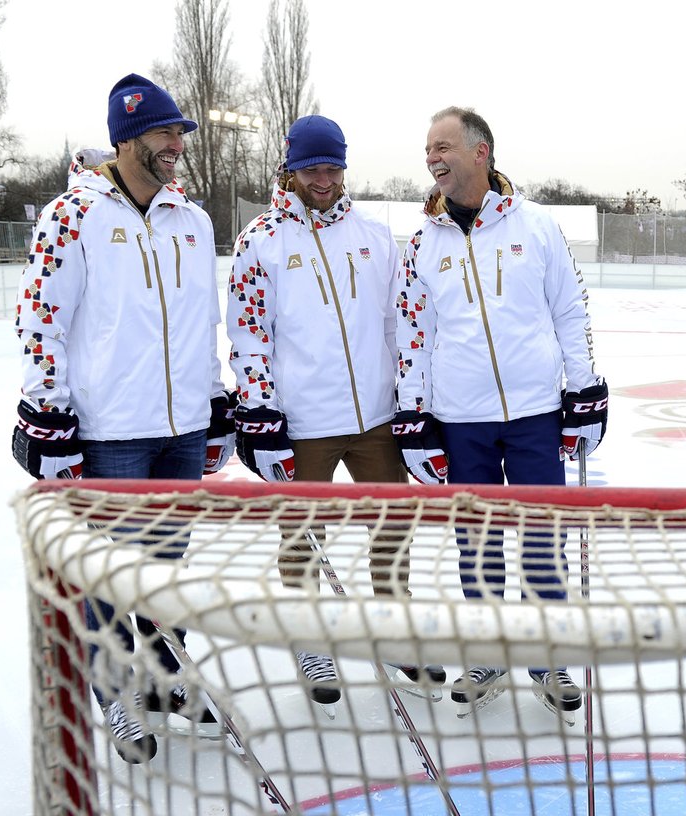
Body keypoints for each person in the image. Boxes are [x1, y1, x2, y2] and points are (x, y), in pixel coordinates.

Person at [11, 73, 234, 762]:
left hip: (182, 427)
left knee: (167, 568)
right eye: (168, 134)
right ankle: (113, 689)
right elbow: (41, 321)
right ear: (128, 138)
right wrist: (47, 415)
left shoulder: (192, 222)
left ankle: (168, 675)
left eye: (180, 134)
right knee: (107, 576)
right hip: (111, 433)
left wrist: (213, 403)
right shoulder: (71, 216)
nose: (178, 146)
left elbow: (203, 322)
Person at [391, 106, 608, 720]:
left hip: (536, 412)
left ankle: (546, 654)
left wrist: (583, 388)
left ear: (479, 152)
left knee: (544, 537)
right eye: (428, 148)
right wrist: (415, 416)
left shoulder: (537, 227)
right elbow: (413, 334)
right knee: (477, 542)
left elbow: (569, 310)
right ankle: (487, 653)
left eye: (443, 146)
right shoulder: (422, 243)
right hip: (463, 420)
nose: (432, 157)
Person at [227, 114, 445, 715]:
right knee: (301, 537)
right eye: (311, 168)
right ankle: (310, 642)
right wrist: (260, 412)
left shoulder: (375, 235)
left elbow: (399, 325)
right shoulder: (261, 240)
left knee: (392, 530)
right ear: (291, 167)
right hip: (303, 423)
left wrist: (408, 401)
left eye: (332, 167)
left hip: (375, 418)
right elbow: (249, 335)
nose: (323, 179)